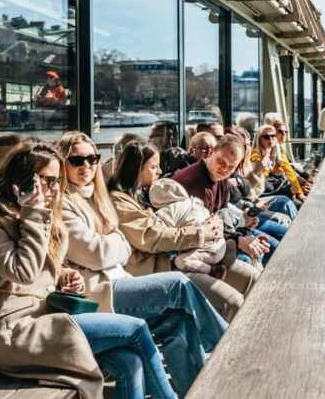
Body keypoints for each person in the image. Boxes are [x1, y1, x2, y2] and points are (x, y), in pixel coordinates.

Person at [0, 142, 176, 399]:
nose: (56, 189)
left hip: (50, 318)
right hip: (17, 332)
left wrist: (64, 276)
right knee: (136, 328)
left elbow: (43, 268)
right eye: (49, 180)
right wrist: (35, 213)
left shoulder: (34, 213)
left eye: (57, 181)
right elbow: (23, 272)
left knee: (129, 361)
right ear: (23, 180)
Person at [56, 132, 226, 397]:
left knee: (177, 320)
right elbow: (96, 253)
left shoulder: (97, 199)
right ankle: (229, 347)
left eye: (92, 158)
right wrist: (116, 243)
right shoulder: (64, 203)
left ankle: (203, 391)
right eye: (76, 160)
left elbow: (118, 248)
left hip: (120, 280)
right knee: (178, 285)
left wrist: (114, 244)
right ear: (62, 163)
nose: (86, 166)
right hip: (99, 293)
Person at [110, 140, 259, 321]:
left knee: (254, 278)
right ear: (137, 168)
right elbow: (151, 237)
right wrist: (202, 233)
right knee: (232, 303)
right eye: (154, 167)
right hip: (168, 264)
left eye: (231, 166)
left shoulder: (143, 194)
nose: (160, 172)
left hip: (193, 251)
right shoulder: (120, 201)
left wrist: (216, 226)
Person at [172, 134, 274, 264]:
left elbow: (223, 218)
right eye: (221, 161)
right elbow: (200, 233)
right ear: (212, 152)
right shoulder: (196, 184)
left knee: (269, 248)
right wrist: (239, 241)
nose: (225, 169)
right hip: (184, 251)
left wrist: (245, 221)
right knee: (248, 259)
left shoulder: (221, 180)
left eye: (231, 167)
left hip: (214, 240)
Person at [148, 179, 228, 277]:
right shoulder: (194, 201)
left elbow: (160, 232)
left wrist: (152, 216)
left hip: (208, 251)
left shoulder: (170, 211)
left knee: (180, 261)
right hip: (221, 243)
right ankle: (223, 257)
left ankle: (213, 271)